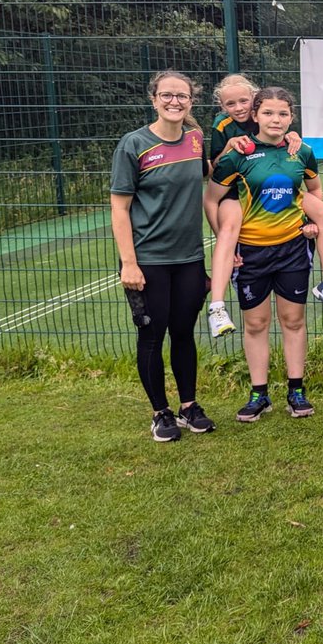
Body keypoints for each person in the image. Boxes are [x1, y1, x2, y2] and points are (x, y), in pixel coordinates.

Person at [203, 87, 323, 422]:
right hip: (252, 253)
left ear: (291, 117)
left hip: (292, 250)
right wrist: (225, 240)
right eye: (268, 113)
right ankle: (259, 393)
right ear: (255, 115)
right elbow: (211, 199)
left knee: (293, 320)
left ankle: (296, 390)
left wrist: (311, 221)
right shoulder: (237, 154)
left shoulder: (302, 151)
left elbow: (314, 191)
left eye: (283, 113)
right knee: (255, 323)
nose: (276, 119)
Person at [109, 70, 215, 442]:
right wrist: (129, 263)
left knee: (184, 333)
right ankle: (160, 413)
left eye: (182, 96)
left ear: (191, 101)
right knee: (152, 337)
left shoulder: (197, 140)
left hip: (189, 258)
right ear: (153, 99)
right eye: (167, 95)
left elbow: (221, 167)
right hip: (148, 259)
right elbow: (119, 209)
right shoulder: (133, 144)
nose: (174, 102)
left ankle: (188, 407)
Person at [204, 73, 323, 338]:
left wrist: (308, 221)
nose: (239, 108)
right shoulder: (223, 126)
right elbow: (214, 169)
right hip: (239, 192)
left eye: (244, 101)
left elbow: (313, 187)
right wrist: (231, 147)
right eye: (231, 104)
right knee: (229, 228)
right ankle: (217, 306)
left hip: (279, 186)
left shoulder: (293, 143)